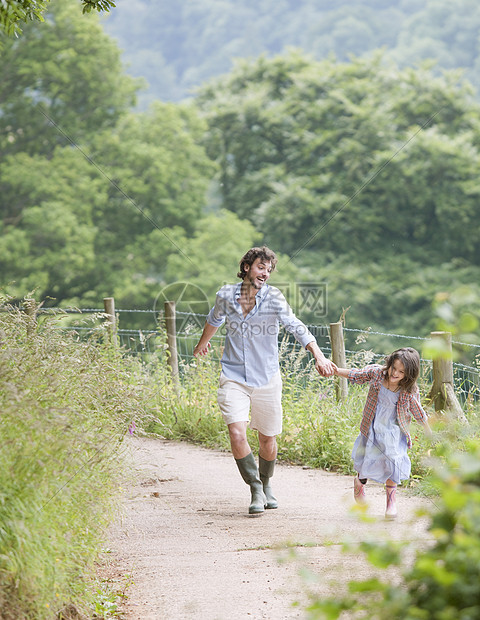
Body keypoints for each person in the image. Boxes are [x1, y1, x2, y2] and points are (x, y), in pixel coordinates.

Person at [193, 246, 335, 515]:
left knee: (267, 439)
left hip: (267, 377)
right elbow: (215, 319)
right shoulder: (225, 295)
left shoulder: (274, 298)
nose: (265, 274)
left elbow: (295, 325)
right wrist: (202, 344)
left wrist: (318, 355)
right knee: (236, 431)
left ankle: (267, 483)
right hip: (233, 375)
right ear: (247, 267)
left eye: (269, 270)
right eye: (261, 267)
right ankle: (255, 487)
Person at [334, 347, 431, 520]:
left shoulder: (408, 390)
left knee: (393, 462)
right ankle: (359, 483)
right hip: (372, 426)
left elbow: (417, 410)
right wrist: (335, 370)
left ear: (409, 374)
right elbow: (356, 375)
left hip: (394, 430)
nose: (395, 373)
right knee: (367, 460)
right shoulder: (377, 374)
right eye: (394, 368)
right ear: (389, 363)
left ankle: (391, 504)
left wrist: (427, 429)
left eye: (401, 372)